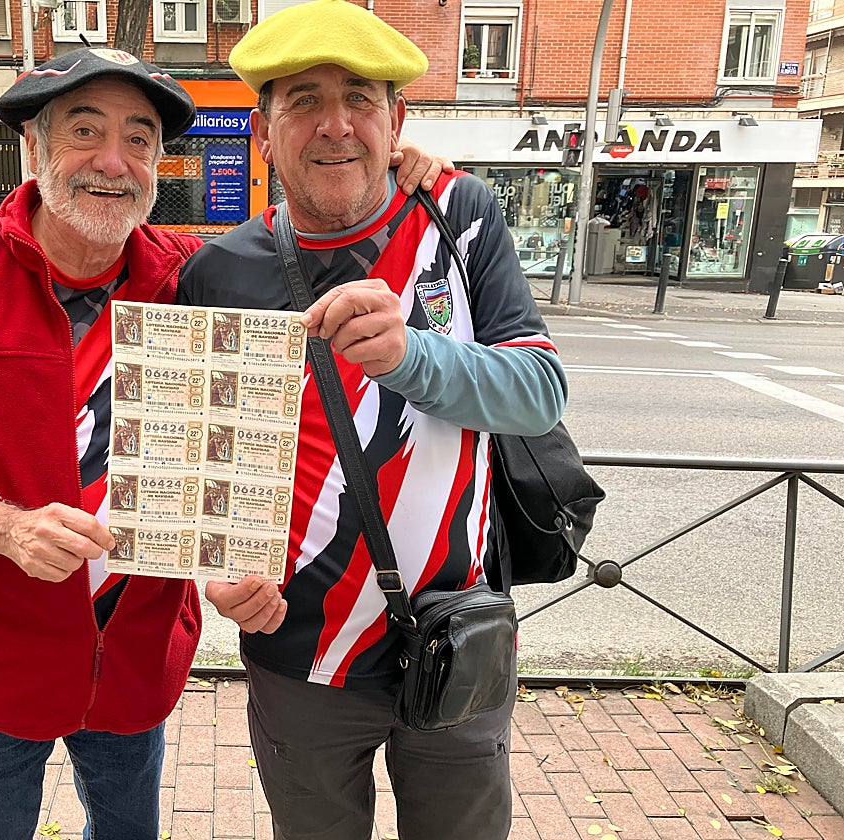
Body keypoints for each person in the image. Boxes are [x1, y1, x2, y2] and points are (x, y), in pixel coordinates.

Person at [0, 45, 450, 840]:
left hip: (135, 666)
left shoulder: (188, 275)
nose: (114, 161)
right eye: (86, 130)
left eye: (140, 137)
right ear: (35, 147)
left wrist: (401, 176)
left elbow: (248, 432)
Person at [177, 1, 568, 838]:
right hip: (298, 651)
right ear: (262, 127)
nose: (335, 124)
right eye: (304, 100)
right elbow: (202, 458)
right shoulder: (219, 268)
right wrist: (213, 569)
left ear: (397, 120)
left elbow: (539, 391)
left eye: (360, 97)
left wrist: (411, 358)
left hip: (456, 632)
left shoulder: (459, 219)